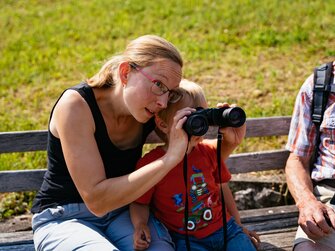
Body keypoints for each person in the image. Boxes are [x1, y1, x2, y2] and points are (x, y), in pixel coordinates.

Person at [31, 35, 195, 251]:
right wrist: (168, 159)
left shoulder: (150, 110)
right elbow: (97, 201)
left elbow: (194, 131)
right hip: (64, 217)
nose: (162, 102)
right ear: (126, 72)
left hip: (124, 213)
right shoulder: (76, 106)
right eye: (158, 84)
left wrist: (225, 133)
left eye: (170, 93)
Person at [130, 79, 260, 251]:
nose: (201, 126)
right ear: (163, 124)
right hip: (185, 239)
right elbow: (140, 202)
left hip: (226, 229)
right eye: (192, 119)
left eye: (203, 117)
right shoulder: (153, 164)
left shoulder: (207, 152)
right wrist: (140, 225)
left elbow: (223, 189)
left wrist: (238, 226)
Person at [285, 61, 335, 251]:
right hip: (331, 197)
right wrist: (307, 202)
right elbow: (297, 161)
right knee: (308, 248)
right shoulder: (319, 85)